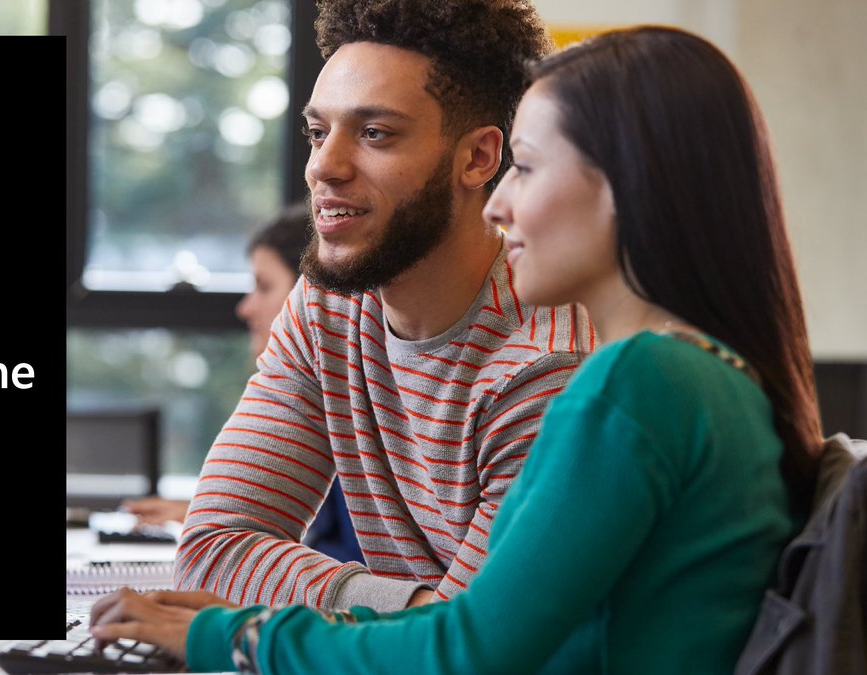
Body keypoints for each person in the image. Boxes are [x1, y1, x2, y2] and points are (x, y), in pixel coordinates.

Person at [89, 25, 825, 674]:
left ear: (622, 188)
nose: (501, 204)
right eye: (316, 132)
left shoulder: (634, 381)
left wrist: (234, 635)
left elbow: (465, 648)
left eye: (526, 168)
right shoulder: (698, 375)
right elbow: (464, 631)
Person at [169, 0, 588, 613]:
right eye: (318, 132)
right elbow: (212, 552)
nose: (323, 166)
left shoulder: (544, 368)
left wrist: (399, 616)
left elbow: (477, 641)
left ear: (478, 158)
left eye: (374, 134)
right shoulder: (328, 309)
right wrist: (410, 608)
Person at [123, 204, 365, 563]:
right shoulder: (313, 396)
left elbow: (347, 555)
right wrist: (218, 518)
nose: (245, 308)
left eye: (263, 287)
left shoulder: (360, 411)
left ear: (310, 294)